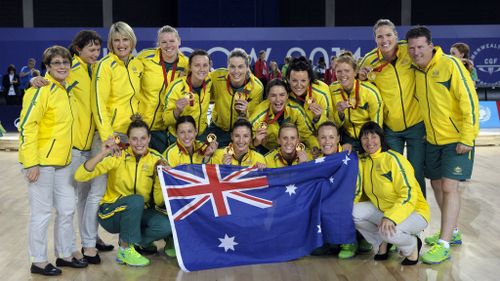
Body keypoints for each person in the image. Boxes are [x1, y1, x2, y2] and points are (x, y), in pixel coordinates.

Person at [406, 26, 479, 264]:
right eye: (412, 48)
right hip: (432, 140)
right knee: (437, 185)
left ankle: (444, 243)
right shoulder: (416, 70)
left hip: (457, 140)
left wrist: (467, 138)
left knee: (449, 186)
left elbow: (469, 101)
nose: (416, 52)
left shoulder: (451, 65)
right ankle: (453, 231)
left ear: (430, 45)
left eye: (420, 47)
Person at [19, 46, 88, 276]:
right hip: (41, 163)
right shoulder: (41, 90)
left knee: (67, 209)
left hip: (63, 162)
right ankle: (38, 260)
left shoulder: (65, 89)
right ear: (47, 67)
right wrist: (31, 163)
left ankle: (65, 253)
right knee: (42, 214)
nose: (62, 66)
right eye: (56, 63)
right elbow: (28, 126)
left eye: (65, 63)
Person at [74, 115, 171, 267]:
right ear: (129, 140)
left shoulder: (156, 159)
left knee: (165, 225)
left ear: (149, 138)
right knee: (136, 200)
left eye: (143, 138)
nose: (139, 143)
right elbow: (80, 175)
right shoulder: (119, 155)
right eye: (134, 139)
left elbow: (159, 200)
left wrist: (162, 178)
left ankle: (134, 243)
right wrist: (102, 153)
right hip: (111, 213)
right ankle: (125, 250)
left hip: (139, 212)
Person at [90, 21, 143, 260]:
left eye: (125, 39)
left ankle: (128, 240)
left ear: (132, 42)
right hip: (109, 137)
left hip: (129, 136)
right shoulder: (104, 65)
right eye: (117, 40)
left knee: (124, 188)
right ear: (111, 43)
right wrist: (107, 137)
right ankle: (90, 243)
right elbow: (98, 103)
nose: (121, 44)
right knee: (97, 191)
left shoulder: (136, 64)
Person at [358, 19, 426, 196]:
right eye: (380, 36)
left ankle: (419, 219)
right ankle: (395, 215)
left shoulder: (408, 50)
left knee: (416, 173)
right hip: (389, 128)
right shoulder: (369, 60)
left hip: (416, 125)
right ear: (375, 39)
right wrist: (361, 78)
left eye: (388, 35)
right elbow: (360, 89)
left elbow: (429, 57)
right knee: (393, 173)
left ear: (396, 35)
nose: (384, 40)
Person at [353, 121, 430, 265]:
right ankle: (382, 242)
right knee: (352, 212)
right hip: (384, 210)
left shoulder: (394, 159)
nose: (369, 141)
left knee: (385, 231)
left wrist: (391, 218)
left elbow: (408, 194)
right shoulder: (363, 160)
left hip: (414, 212)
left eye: (373, 137)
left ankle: (412, 246)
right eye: (365, 137)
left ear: (381, 138)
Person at [311, 121, 368, 259]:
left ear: (338, 139)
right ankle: (331, 241)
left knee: (341, 207)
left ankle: (350, 241)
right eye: (323, 137)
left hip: (350, 204)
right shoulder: (318, 161)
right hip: (328, 206)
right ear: (318, 140)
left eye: (331, 137)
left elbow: (358, 189)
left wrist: (345, 203)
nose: (327, 141)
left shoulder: (350, 157)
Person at [137, 25, 189, 153]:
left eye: (172, 41)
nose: (168, 45)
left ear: (179, 41)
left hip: (170, 128)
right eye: (163, 42)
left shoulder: (187, 64)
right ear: (158, 43)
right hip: (145, 126)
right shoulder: (145, 58)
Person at [206, 48, 263, 146]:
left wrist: (246, 113)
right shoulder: (216, 76)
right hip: (217, 128)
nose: (236, 71)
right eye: (232, 67)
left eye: (240, 67)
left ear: (247, 67)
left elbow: (255, 119)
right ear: (227, 66)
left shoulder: (256, 87)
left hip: (241, 131)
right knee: (204, 154)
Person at [330, 54, 383, 152]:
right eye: (339, 71)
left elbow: (376, 126)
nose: (343, 75)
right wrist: (340, 113)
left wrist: (368, 143)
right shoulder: (332, 89)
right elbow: (334, 123)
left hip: (368, 138)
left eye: (347, 71)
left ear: (355, 72)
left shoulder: (370, 92)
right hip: (346, 138)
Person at [250, 78, 318, 154]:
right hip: (267, 150)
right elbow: (245, 140)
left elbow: (307, 135)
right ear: (268, 97)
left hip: (292, 148)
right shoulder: (259, 114)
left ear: (287, 95)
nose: (278, 100)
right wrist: (255, 142)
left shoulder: (296, 110)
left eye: (282, 95)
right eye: (273, 95)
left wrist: (315, 146)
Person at [162, 49, 212, 147]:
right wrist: (177, 110)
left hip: (201, 135)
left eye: (205, 65)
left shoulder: (210, 81)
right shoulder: (176, 87)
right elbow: (165, 120)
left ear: (210, 66)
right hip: (179, 138)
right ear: (190, 67)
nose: (202, 69)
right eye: (197, 65)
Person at [286, 56, 333, 144]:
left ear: (309, 79)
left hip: (319, 140)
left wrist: (318, 118)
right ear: (288, 79)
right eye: (294, 80)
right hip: (293, 141)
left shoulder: (322, 93)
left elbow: (331, 126)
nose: (299, 85)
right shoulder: (283, 94)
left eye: (303, 80)